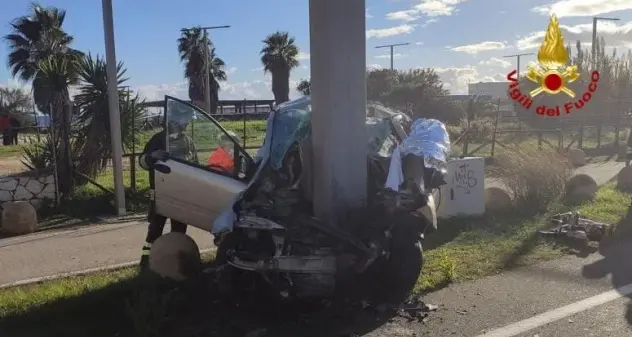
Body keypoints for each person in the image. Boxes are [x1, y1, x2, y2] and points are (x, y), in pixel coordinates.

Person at [138, 102, 198, 269]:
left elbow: (195, 165)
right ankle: (146, 262)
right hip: (161, 193)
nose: (187, 123)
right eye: (185, 119)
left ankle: (175, 264)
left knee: (179, 231)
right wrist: (152, 156)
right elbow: (142, 162)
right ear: (175, 120)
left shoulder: (187, 141)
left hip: (180, 194)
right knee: (155, 230)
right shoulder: (157, 140)